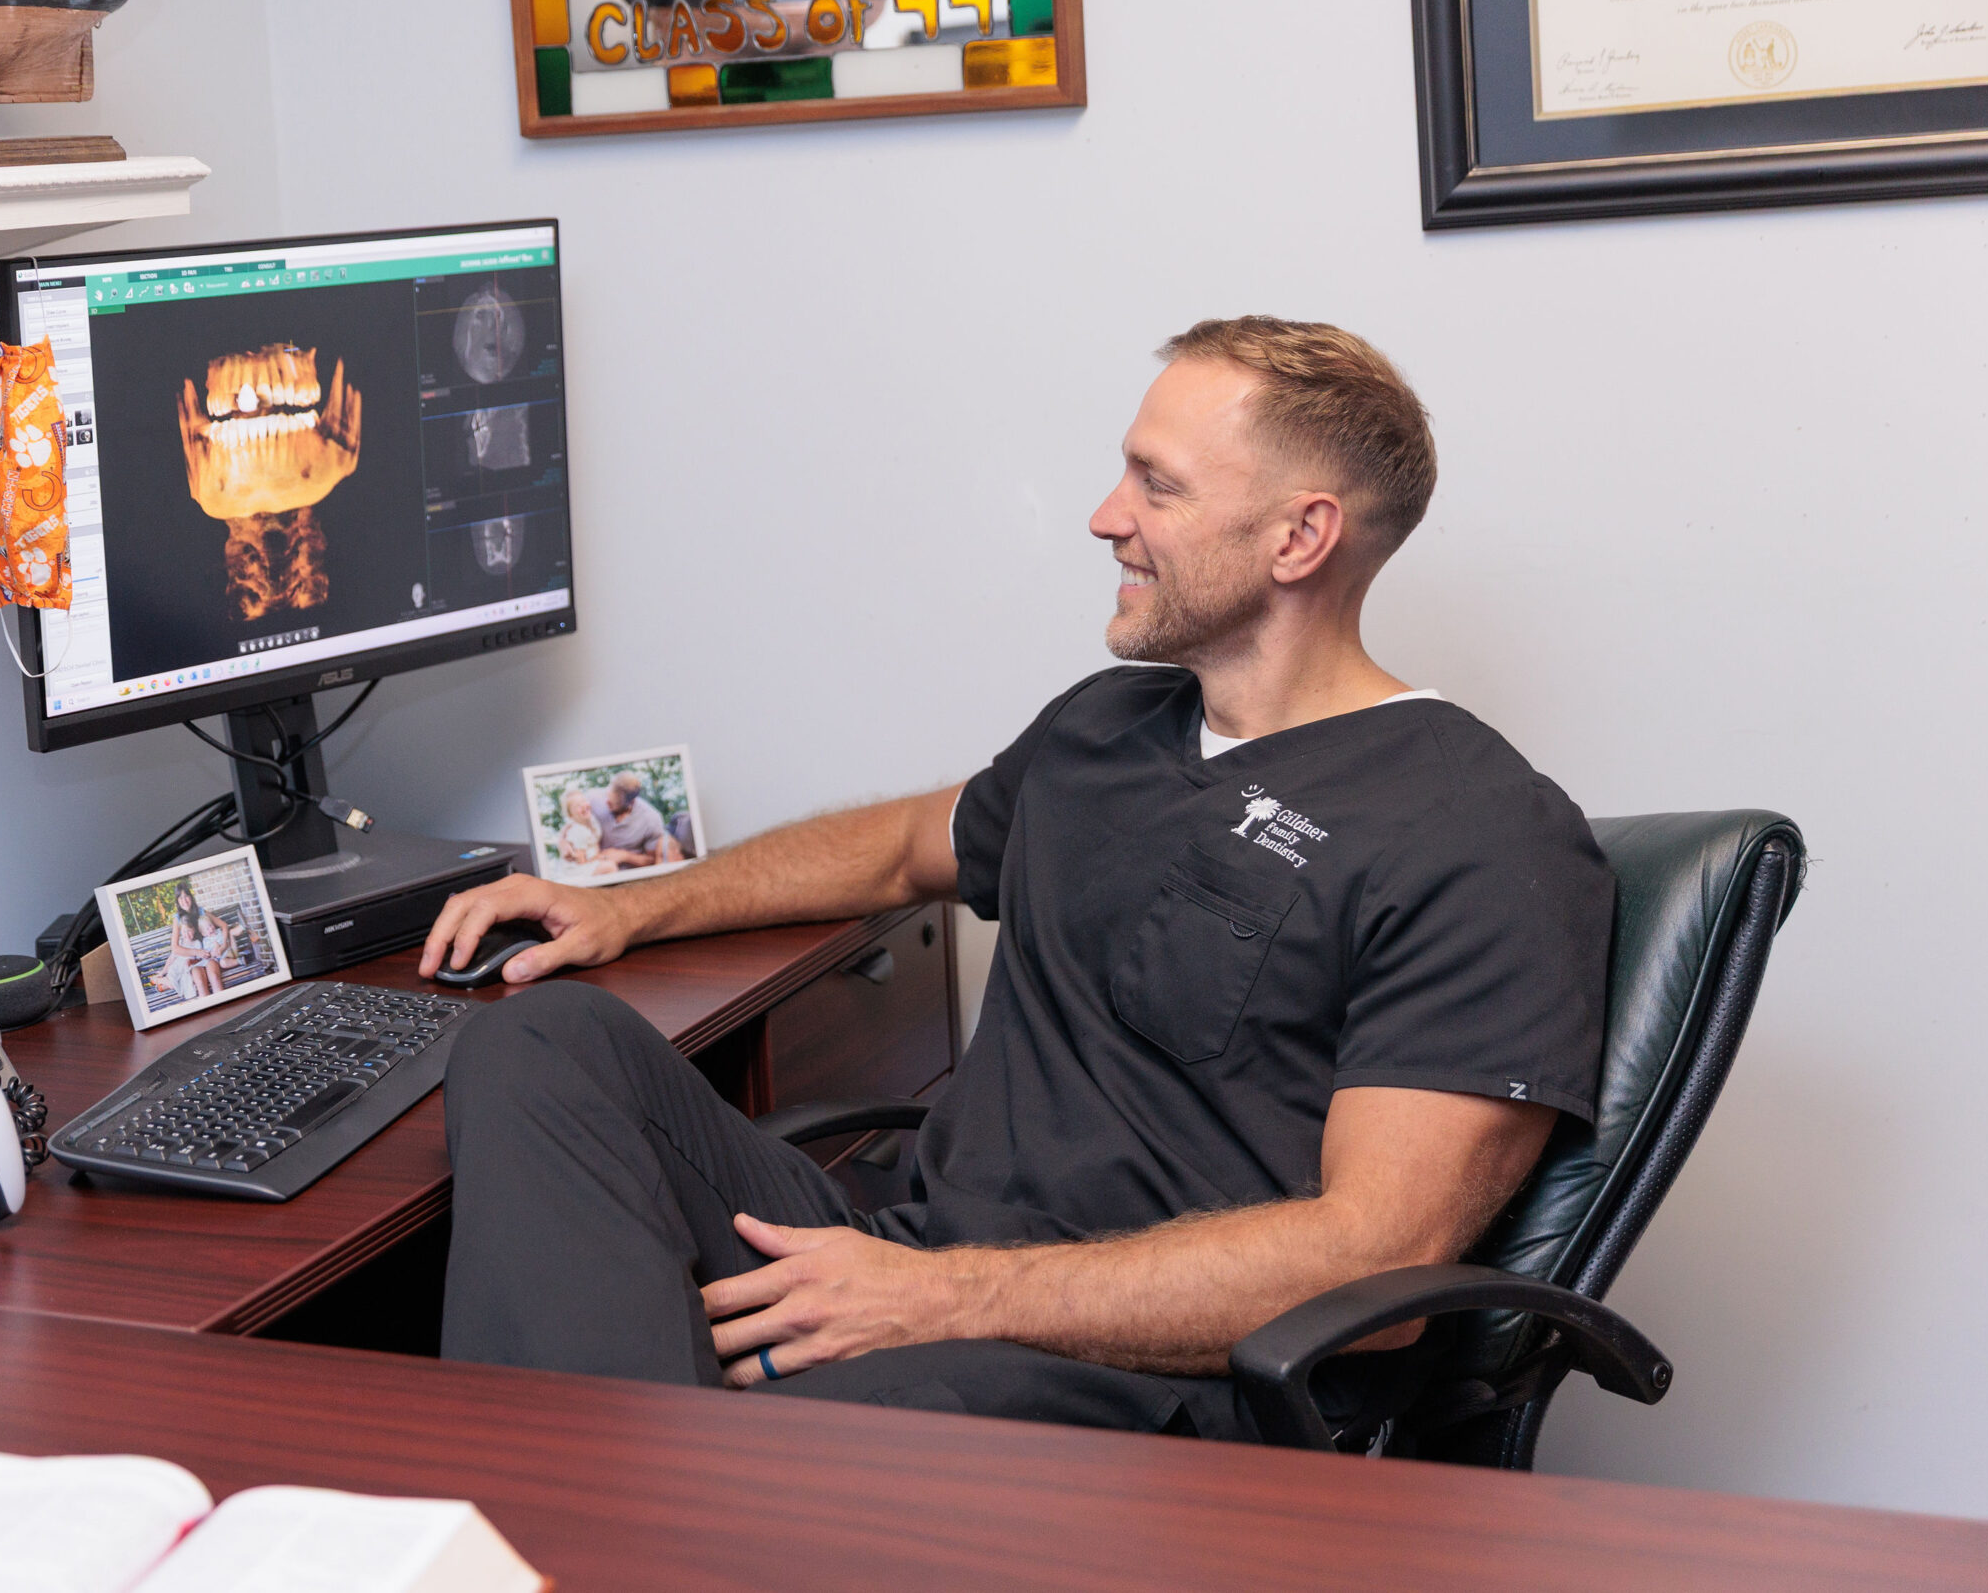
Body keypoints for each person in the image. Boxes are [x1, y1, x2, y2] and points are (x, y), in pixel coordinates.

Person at [418, 317, 1614, 1440]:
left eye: (1159, 485)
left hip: (1130, 1370)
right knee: (543, 1043)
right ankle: (622, 1495)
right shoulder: (1109, 728)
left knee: (766, 1429)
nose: (1105, 517)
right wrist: (628, 904)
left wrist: (940, 1299)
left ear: (1298, 538)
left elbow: (1377, 1266)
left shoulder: (1480, 837)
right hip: (906, 1250)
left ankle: (624, 1494)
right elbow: (897, 848)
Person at [588, 773, 672, 869]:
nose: (607, 803)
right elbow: (570, 821)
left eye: (615, 803)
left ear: (632, 802)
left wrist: (625, 856)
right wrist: (566, 842)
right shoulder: (592, 799)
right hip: (593, 869)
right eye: (607, 795)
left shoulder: (651, 819)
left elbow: (652, 860)